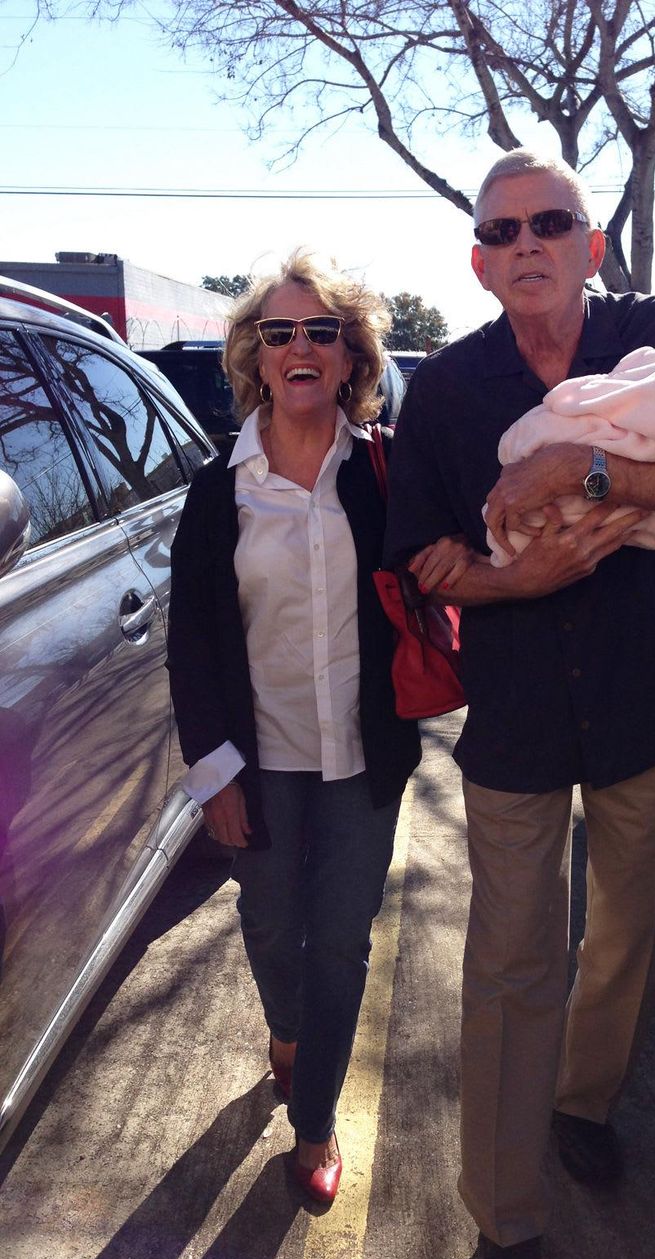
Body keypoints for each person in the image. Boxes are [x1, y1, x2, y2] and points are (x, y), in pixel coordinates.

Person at [383, 150, 655, 1259]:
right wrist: (523, 580)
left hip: (647, 692)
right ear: (477, 260)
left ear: (589, 243)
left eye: (549, 222)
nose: (525, 245)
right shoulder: (447, 390)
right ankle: (504, 1214)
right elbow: (421, 560)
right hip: (513, 710)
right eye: (500, 231)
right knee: (508, 963)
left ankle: (585, 1099)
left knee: (626, 937)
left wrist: (585, 465)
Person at [166, 251, 421, 1206]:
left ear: (351, 355)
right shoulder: (216, 493)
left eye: (323, 331)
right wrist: (214, 768)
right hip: (258, 761)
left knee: (343, 941)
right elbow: (190, 641)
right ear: (257, 357)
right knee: (272, 924)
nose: (301, 346)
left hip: (363, 759)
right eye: (281, 333)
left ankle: (315, 1124)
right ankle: (285, 1028)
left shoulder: (387, 474)